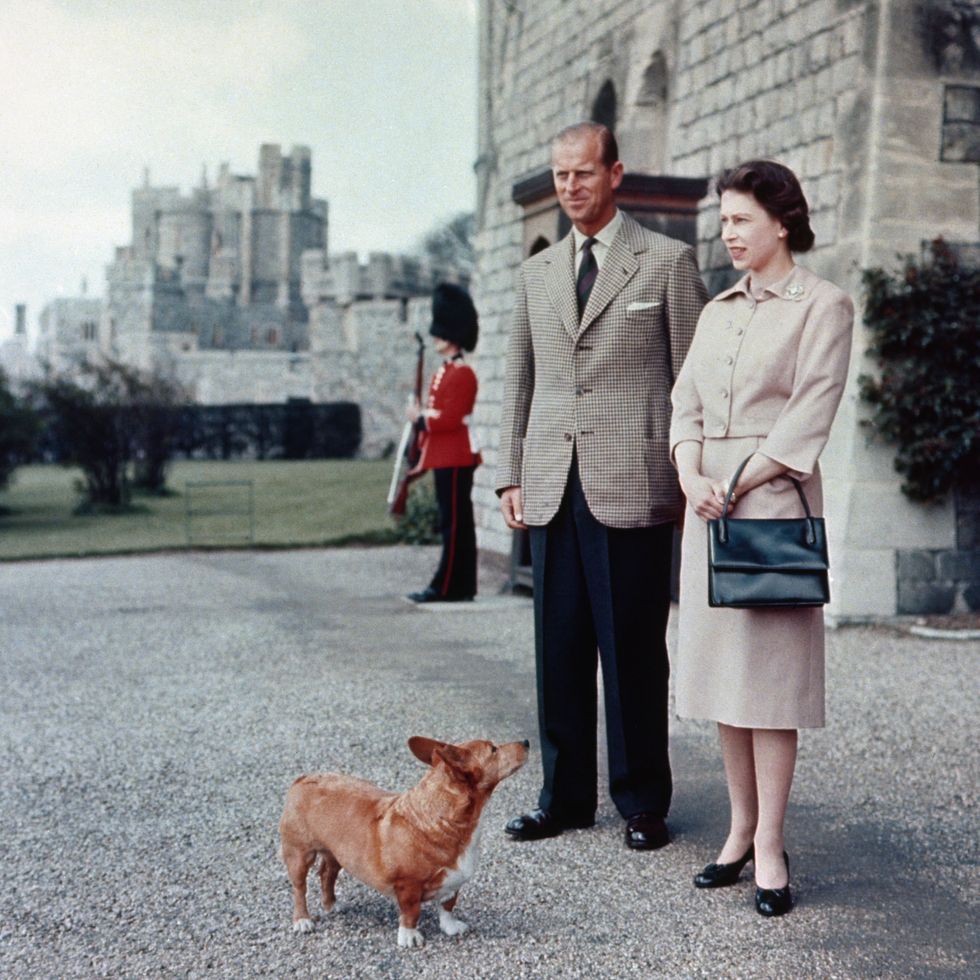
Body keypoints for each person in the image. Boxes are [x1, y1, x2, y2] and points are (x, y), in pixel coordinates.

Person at [497, 122, 707, 849]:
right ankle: (563, 799)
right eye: (559, 176)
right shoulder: (538, 272)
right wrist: (509, 476)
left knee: (633, 650)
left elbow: (694, 381)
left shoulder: (668, 264)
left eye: (583, 174)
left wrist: (692, 471)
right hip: (552, 481)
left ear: (615, 173)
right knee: (558, 648)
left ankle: (643, 801)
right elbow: (518, 380)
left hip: (633, 483)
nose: (570, 188)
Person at [670, 160, 854, 916]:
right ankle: (738, 831)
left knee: (770, 689)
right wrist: (688, 475)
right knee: (723, 683)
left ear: (783, 222)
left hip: (770, 506)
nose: (729, 234)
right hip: (706, 510)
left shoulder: (825, 306)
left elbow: (810, 413)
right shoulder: (716, 311)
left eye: (741, 220)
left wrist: (736, 480)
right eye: (723, 222)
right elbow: (682, 406)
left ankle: (772, 844)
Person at [407, 283, 481, 604]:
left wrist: (419, 419)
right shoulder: (447, 371)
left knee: (454, 524)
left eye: (440, 332)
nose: (435, 337)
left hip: (455, 455)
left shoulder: (463, 373)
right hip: (445, 455)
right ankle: (461, 584)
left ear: (452, 336)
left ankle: (447, 585)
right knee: (454, 521)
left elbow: (449, 418)